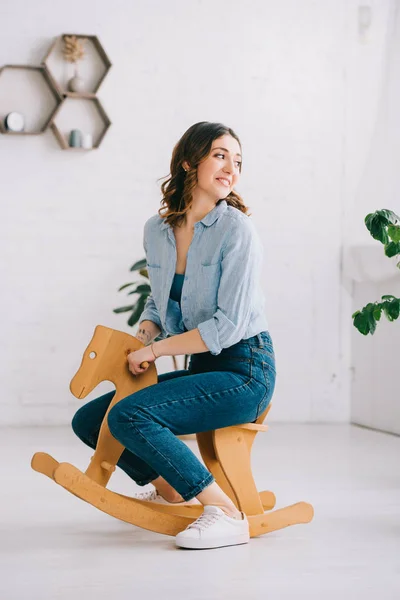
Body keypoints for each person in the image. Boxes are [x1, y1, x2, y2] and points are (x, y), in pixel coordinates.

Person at [71, 121, 276, 550]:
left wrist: (159, 350)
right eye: (220, 155)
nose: (231, 168)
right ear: (189, 161)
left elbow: (228, 326)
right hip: (204, 368)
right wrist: (147, 332)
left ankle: (224, 512)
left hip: (245, 370)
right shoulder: (158, 231)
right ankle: (169, 490)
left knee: (130, 415)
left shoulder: (236, 230)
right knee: (91, 420)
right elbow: (159, 304)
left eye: (237, 161)